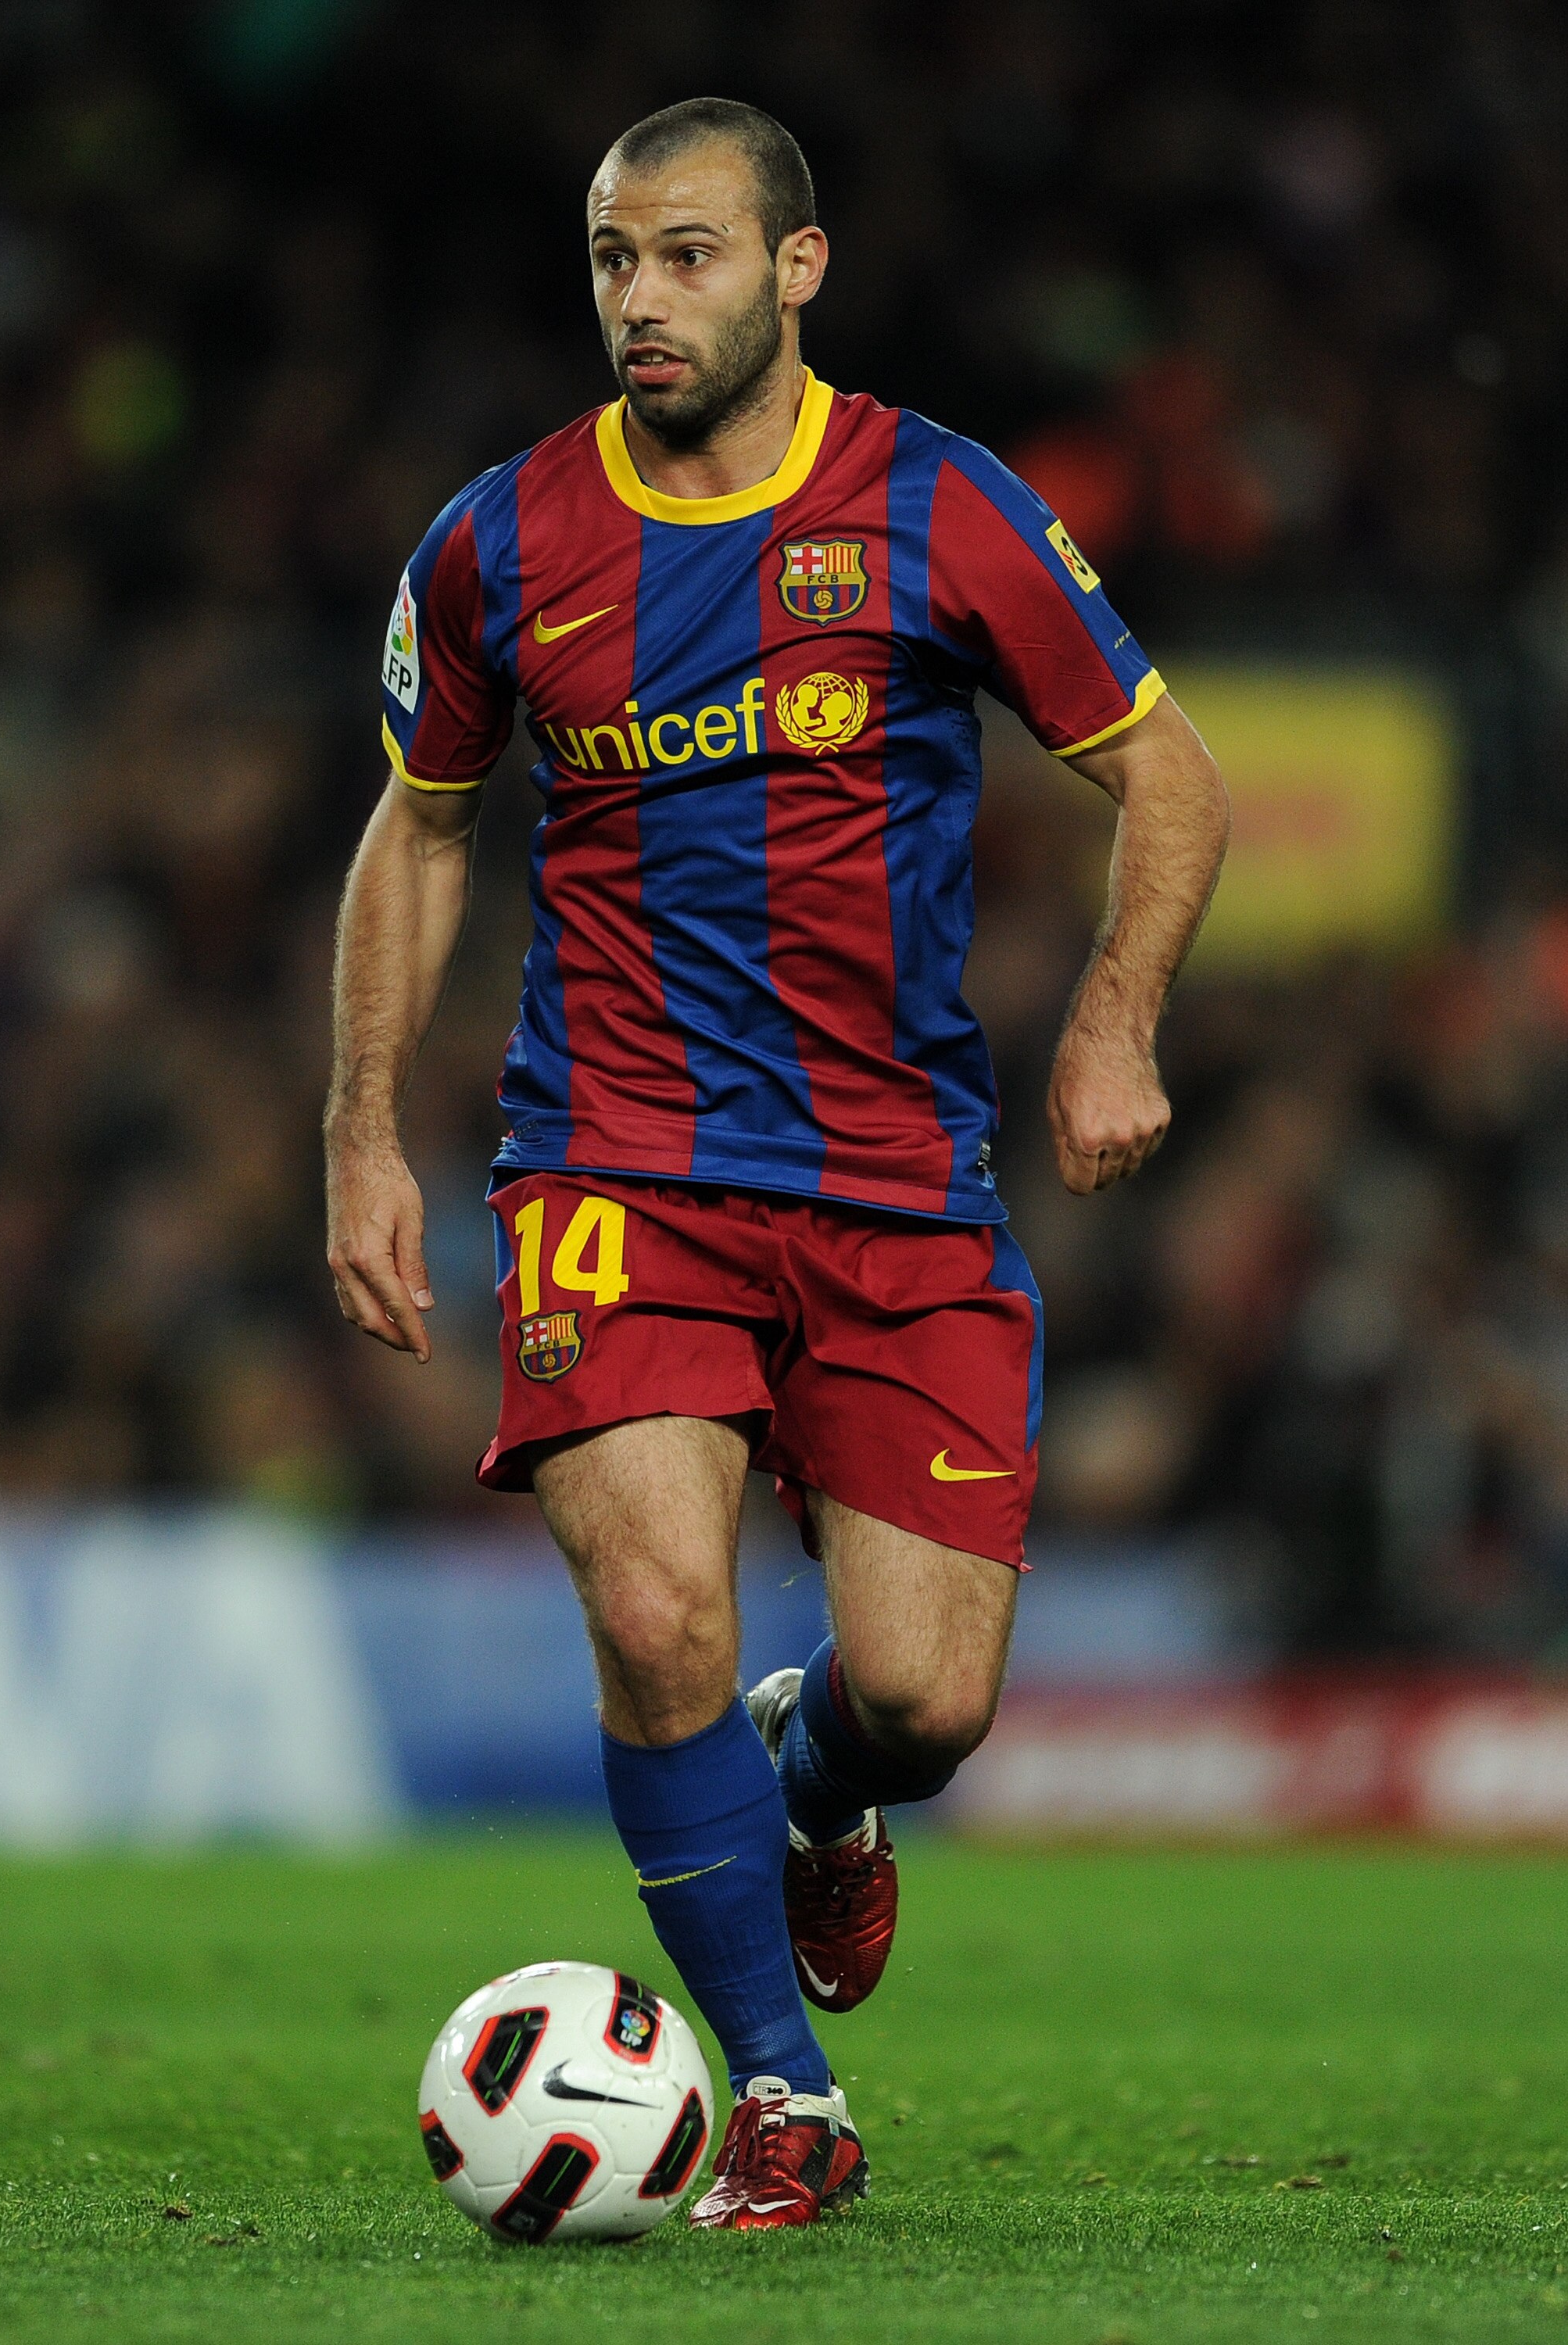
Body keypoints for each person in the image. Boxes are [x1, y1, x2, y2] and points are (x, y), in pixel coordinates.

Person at [325, 96, 1229, 2231]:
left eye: (690, 255)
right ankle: (785, 2097)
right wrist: (361, 1131)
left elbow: (1173, 779)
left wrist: (1114, 1018)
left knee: (923, 1700)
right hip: (613, 1166)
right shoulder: (499, 543)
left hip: (896, 1178)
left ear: (797, 270)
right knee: (653, 1615)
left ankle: (816, 1780)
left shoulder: (939, 503)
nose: (641, 299)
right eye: (613, 259)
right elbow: (423, 829)